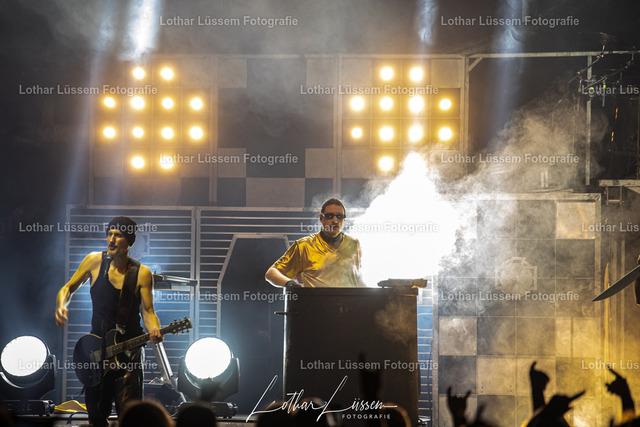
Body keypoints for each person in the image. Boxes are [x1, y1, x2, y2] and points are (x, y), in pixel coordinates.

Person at [55, 216, 162, 427]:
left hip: (129, 352)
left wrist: (155, 329)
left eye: (118, 235)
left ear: (129, 240)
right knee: (96, 416)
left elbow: (148, 311)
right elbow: (68, 288)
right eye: (109, 234)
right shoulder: (94, 261)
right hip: (98, 351)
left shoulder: (142, 273)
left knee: (130, 417)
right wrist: (61, 305)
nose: (111, 239)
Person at [265, 198, 365, 288]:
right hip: (316, 303)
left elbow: (358, 279)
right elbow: (271, 273)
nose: (335, 220)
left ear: (344, 220)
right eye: (330, 216)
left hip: (350, 302)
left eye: (339, 216)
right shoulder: (304, 246)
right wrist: (289, 284)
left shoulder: (354, 244)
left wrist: (370, 296)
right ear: (321, 218)